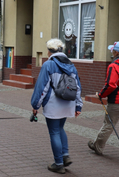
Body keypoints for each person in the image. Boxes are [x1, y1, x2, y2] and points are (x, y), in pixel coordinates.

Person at [31, 38, 82, 174]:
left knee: (54, 132)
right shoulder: (71, 65)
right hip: (68, 103)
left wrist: (35, 105)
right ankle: (65, 156)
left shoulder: (48, 65)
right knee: (60, 128)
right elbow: (77, 87)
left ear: (49, 51)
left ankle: (58, 163)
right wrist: (78, 106)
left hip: (53, 104)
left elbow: (42, 88)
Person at [88, 41, 119, 156]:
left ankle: (98, 147)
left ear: (116, 52)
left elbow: (111, 85)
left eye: (112, 50)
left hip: (117, 101)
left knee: (108, 125)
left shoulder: (114, 66)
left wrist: (101, 95)